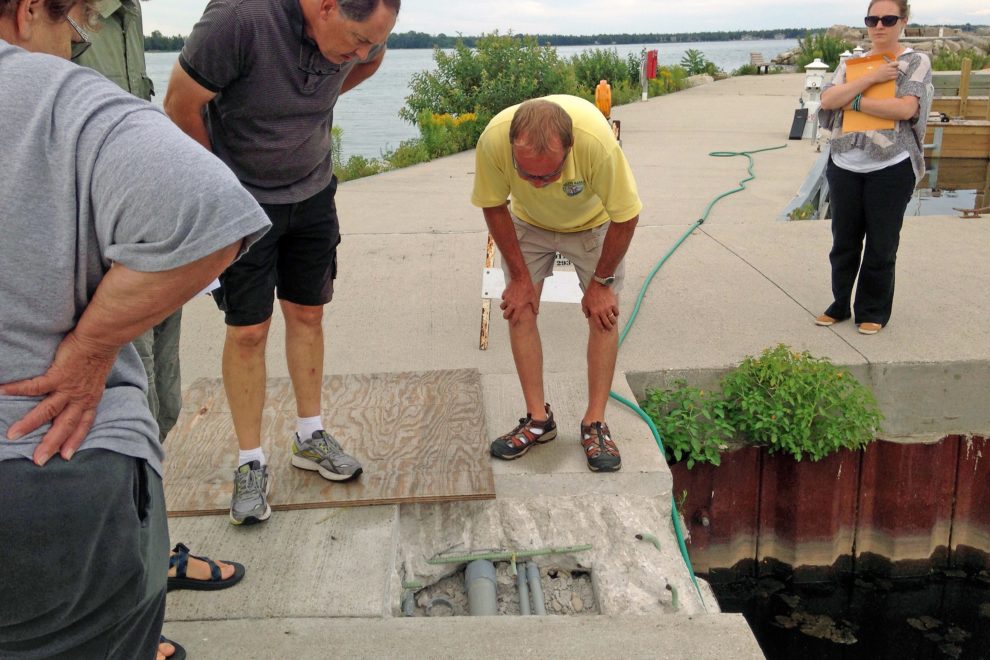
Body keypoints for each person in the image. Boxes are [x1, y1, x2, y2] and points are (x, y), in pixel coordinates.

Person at [0, 0, 270, 656]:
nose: (74, 49)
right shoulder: (57, 95)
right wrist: (90, 347)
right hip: (47, 469)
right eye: (73, 32)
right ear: (31, 10)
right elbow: (213, 212)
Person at [164, 0, 400, 526]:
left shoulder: (367, 34)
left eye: (374, 41)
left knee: (308, 314)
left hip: (313, 191)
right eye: (358, 39)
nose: (364, 52)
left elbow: (372, 58)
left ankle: (310, 436)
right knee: (247, 331)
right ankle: (251, 462)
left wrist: (315, 101)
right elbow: (180, 104)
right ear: (325, 6)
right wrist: (222, 193)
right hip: (243, 199)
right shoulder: (239, 20)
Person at [74, 0, 246, 608]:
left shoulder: (125, 12)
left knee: (158, 407)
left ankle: (146, 558)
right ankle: (121, 602)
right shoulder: (44, 15)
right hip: (89, 261)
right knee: (109, 428)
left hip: (144, 240)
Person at [472, 95, 642, 473]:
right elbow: (494, 205)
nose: (538, 183)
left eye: (548, 175)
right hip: (528, 225)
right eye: (527, 175)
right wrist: (518, 278)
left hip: (592, 225)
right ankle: (537, 419)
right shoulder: (493, 141)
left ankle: (594, 421)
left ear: (569, 149)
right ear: (513, 148)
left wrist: (601, 283)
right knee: (518, 309)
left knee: (604, 315)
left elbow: (626, 216)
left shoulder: (596, 142)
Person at [815, 0, 932, 335]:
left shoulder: (914, 61)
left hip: (892, 164)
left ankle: (872, 310)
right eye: (872, 19)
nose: (879, 26)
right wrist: (872, 78)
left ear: (903, 20)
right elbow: (826, 100)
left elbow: (906, 108)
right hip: (844, 161)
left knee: (881, 243)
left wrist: (854, 99)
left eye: (888, 19)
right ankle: (840, 303)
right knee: (844, 242)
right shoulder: (852, 63)